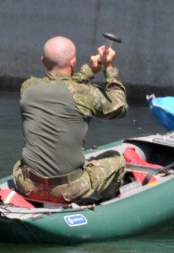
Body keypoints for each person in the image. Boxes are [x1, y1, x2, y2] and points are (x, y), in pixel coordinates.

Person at [12, 36, 128, 204]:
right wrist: (108, 68)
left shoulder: (27, 87)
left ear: (43, 61)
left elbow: (63, 86)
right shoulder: (85, 93)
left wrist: (90, 71)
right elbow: (120, 106)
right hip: (68, 191)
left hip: (28, 186)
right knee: (117, 159)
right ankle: (101, 202)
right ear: (73, 62)